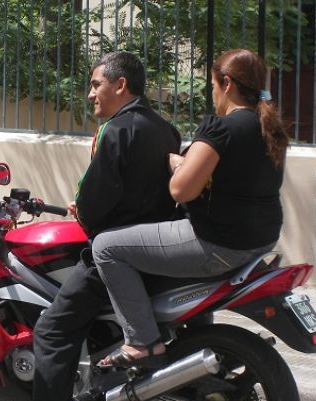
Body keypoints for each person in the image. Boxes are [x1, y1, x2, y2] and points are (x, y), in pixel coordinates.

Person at [6, 51, 181, 401]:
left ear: (120, 85)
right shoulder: (165, 129)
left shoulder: (116, 130)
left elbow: (95, 197)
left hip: (114, 254)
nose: (90, 95)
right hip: (158, 249)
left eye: (96, 84)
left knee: (52, 330)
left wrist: (82, 211)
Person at [91, 48, 288, 370]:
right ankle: (197, 339)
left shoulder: (220, 129)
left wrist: (177, 165)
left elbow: (181, 190)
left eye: (212, 85)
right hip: (260, 239)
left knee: (106, 247)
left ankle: (142, 341)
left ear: (225, 83)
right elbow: (237, 178)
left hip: (218, 243)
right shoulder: (269, 128)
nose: (212, 94)